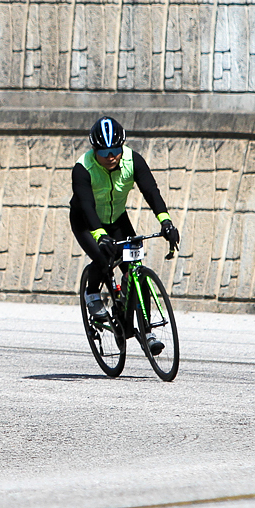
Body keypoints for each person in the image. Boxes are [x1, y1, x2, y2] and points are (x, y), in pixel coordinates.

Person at [70, 116, 179, 350]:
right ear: (94, 150)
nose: (111, 156)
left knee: (136, 270)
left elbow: (151, 191)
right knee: (104, 259)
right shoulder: (83, 168)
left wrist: (166, 222)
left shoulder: (132, 160)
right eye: (104, 152)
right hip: (86, 222)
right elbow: (86, 205)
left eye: (115, 150)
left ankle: (147, 332)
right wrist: (100, 235)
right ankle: (92, 294)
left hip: (117, 220)